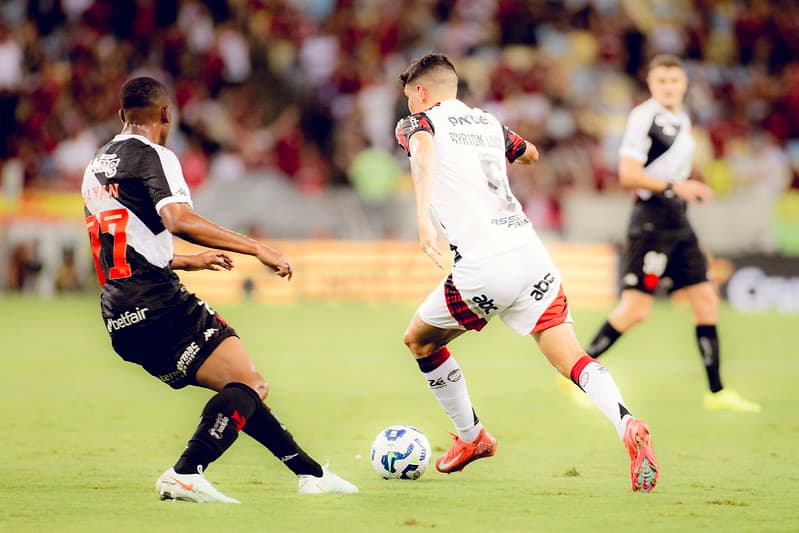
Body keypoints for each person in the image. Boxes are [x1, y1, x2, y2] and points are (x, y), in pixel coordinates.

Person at [80, 76, 357, 503]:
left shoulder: (96, 165)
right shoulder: (155, 155)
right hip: (159, 304)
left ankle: (310, 474)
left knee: (241, 387)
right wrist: (256, 247)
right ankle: (186, 472)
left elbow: (120, 246)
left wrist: (187, 261)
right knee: (250, 385)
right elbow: (178, 220)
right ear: (167, 114)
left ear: (121, 114)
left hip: (120, 316)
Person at [394, 54, 659, 493]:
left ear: (420, 92)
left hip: (484, 265)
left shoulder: (418, 124)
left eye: (409, 95)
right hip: (531, 256)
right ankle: (626, 422)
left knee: (419, 340)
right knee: (571, 358)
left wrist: (423, 217)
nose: (408, 104)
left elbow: (421, 153)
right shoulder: (488, 124)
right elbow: (530, 153)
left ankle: (472, 437)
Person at [581, 54, 761, 413]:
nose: (668, 87)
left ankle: (716, 393)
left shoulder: (682, 119)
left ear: (684, 84)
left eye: (674, 81)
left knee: (706, 300)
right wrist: (677, 187)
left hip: (678, 220)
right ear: (650, 84)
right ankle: (577, 373)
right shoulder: (644, 117)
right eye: (661, 81)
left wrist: (685, 190)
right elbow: (628, 174)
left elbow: (667, 172)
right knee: (635, 310)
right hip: (651, 221)